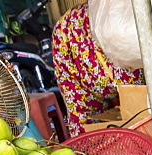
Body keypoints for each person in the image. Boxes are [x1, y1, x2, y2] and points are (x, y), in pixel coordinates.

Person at [51, 2, 144, 136]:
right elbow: (80, 111)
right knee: (89, 132)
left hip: (136, 84)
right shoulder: (68, 29)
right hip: (76, 40)